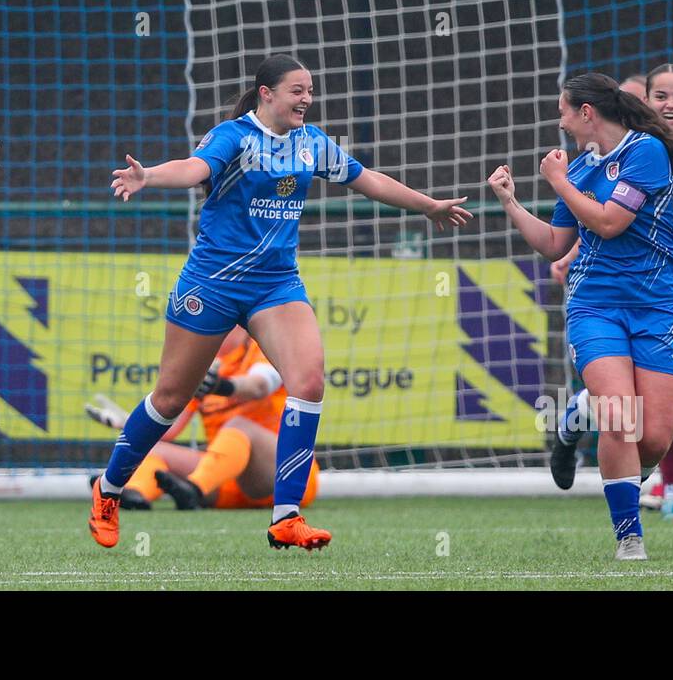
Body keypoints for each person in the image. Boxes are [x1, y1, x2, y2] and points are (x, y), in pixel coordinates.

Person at [89, 53, 471, 551]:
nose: (307, 99)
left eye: (310, 91)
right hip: (212, 283)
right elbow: (194, 168)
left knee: (309, 381)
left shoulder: (312, 143)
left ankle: (286, 517)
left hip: (276, 284)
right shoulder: (235, 136)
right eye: (297, 90)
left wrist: (429, 205)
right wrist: (150, 177)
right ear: (267, 94)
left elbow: (367, 179)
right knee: (169, 399)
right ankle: (109, 489)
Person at [490, 71, 673, 561]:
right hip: (596, 307)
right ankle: (629, 538)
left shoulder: (645, 152)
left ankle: (576, 418)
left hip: (658, 309)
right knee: (618, 416)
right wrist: (510, 201)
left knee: (653, 437)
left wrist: (558, 181)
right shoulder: (582, 170)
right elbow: (555, 243)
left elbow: (612, 223)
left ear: (586, 113)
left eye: (563, 111)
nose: (560, 121)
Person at [85, 326, 320, 512]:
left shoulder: (262, 349)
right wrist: (128, 421)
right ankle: (135, 495)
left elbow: (258, 386)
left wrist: (222, 386)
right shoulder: (204, 366)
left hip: (285, 477)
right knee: (154, 449)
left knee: (237, 426)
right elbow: (169, 429)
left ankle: (194, 489)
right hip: (225, 480)